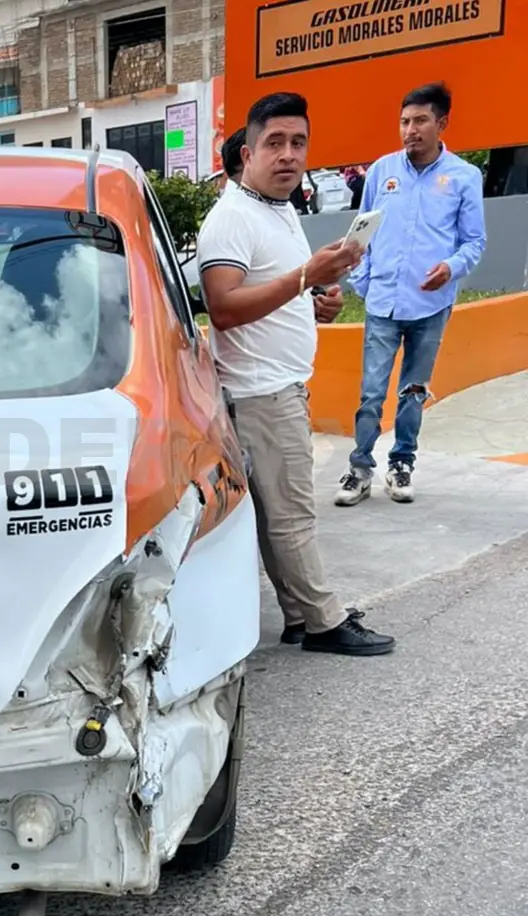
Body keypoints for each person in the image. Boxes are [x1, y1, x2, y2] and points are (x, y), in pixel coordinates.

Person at [196, 91, 396, 657]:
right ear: (247, 153)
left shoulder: (276, 209)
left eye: (299, 143)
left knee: (279, 513)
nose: (289, 155)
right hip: (260, 392)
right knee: (292, 516)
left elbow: (269, 290)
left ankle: (299, 616)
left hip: (278, 385)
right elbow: (223, 307)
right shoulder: (232, 219)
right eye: (275, 143)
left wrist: (312, 301)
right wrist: (307, 274)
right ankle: (325, 622)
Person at [336, 83, 487, 506]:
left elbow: (474, 241)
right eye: (404, 121)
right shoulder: (381, 172)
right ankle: (359, 469)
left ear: (442, 123)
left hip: (431, 305)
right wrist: (363, 282)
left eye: (420, 121)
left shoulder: (463, 177)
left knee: (413, 391)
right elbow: (361, 232)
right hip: (382, 302)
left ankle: (401, 464)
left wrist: (451, 268)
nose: (410, 130)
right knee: (371, 391)